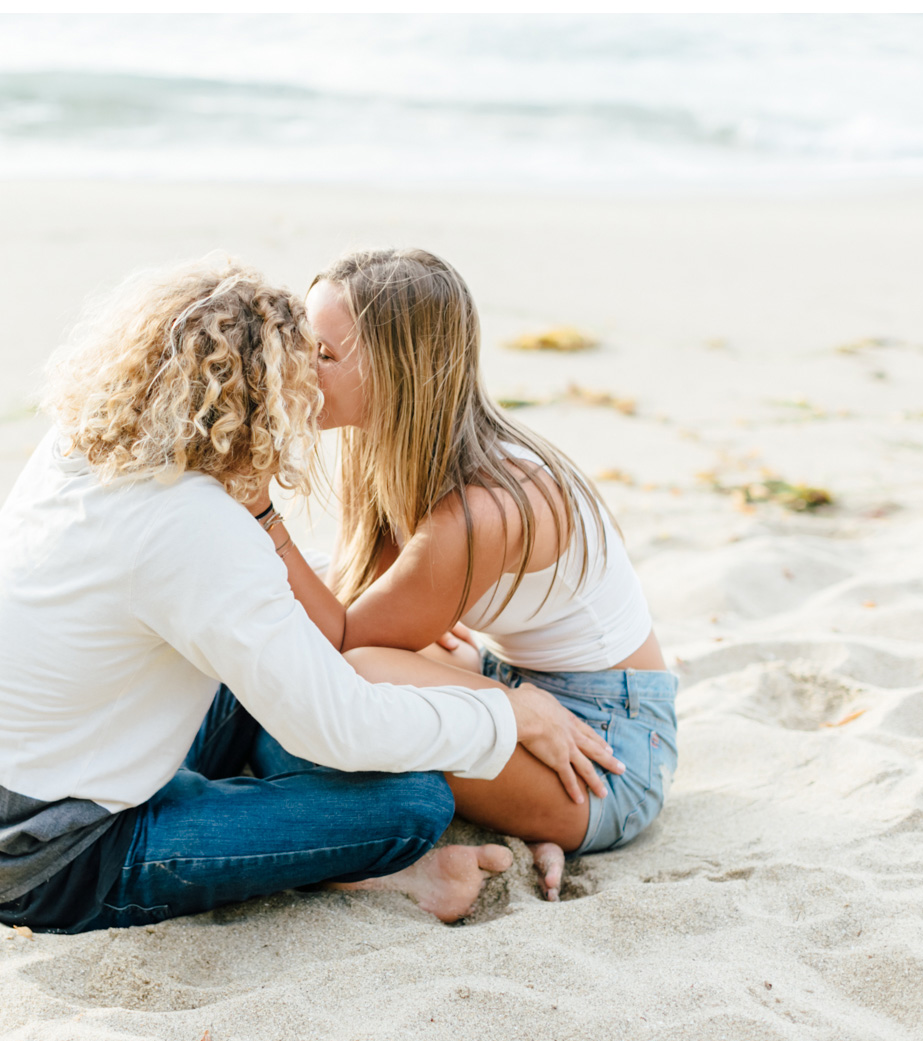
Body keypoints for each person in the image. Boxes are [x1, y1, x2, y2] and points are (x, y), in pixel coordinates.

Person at [0, 256, 620, 932]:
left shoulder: (91, 444)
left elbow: (222, 582)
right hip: (51, 859)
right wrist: (508, 717)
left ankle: (268, 830)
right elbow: (339, 727)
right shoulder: (191, 525)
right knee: (410, 801)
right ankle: (357, 862)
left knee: (292, 670)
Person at [251, 248, 677, 901]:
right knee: (362, 636)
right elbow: (352, 601)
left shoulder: (480, 512)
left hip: (608, 751)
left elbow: (343, 646)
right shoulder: (391, 449)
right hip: (526, 685)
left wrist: (258, 510)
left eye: (326, 356)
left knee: (363, 671)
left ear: (399, 374)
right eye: (304, 344)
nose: (300, 369)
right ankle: (503, 756)